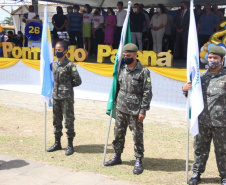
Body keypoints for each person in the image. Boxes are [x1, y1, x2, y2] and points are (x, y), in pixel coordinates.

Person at [104, 43, 152, 175]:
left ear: (136, 55)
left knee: (137, 135)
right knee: (118, 133)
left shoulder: (143, 71)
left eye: (129, 56)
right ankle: (117, 155)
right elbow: (117, 86)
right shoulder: (122, 69)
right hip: (120, 108)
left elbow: (147, 92)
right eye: (124, 56)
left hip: (135, 111)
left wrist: (143, 110)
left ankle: (138, 159)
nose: (126, 58)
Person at [182, 46, 226, 185]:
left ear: (222, 60)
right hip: (202, 121)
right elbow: (191, 95)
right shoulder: (199, 77)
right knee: (200, 149)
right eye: (210, 58)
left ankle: (224, 176)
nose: (212, 60)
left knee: (223, 151)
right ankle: (196, 173)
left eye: (215, 58)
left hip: (222, 123)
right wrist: (185, 89)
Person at [47, 40, 82, 156]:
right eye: (56, 50)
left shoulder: (70, 65)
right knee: (56, 121)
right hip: (56, 96)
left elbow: (78, 80)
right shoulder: (54, 64)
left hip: (66, 97)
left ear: (65, 51)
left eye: (59, 50)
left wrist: (67, 86)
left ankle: (70, 145)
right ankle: (57, 143)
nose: (57, 52)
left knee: (68, 121)